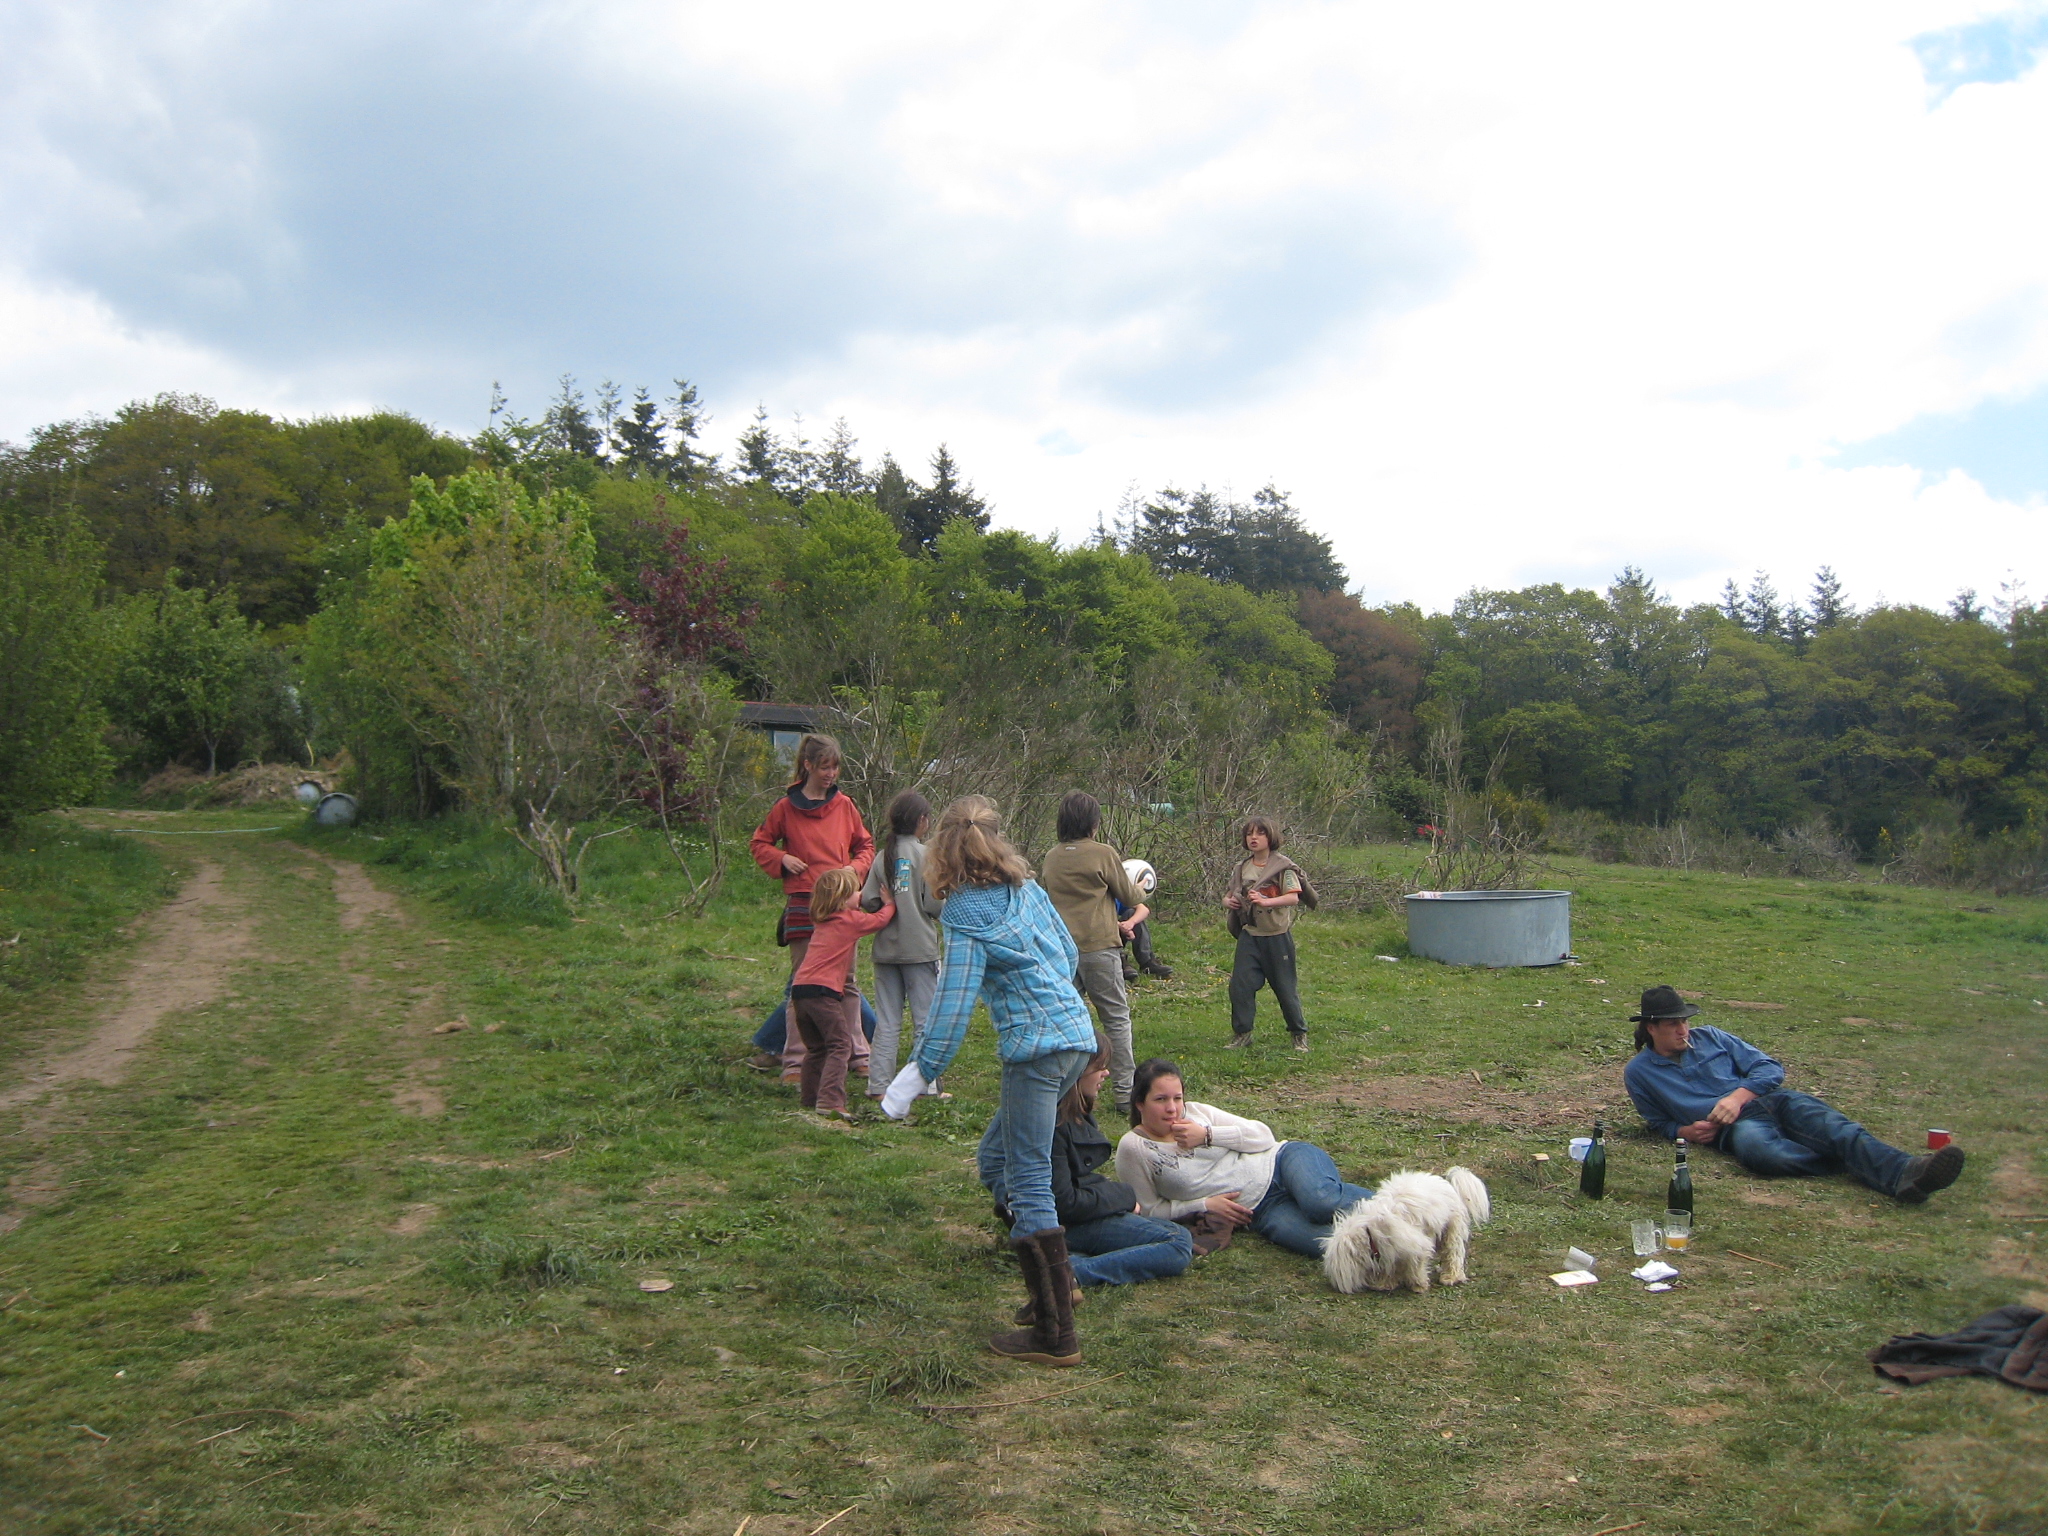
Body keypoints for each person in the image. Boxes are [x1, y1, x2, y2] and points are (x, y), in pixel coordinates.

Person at [879, 796, 1098, 1367]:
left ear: (942, 853)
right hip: (1075, 1037)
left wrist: (915, 1075)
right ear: (996, 842)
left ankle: (1055, 1333)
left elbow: (951, 1007)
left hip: (1036, 1051)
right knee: (996, 1158)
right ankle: (1060, 1284)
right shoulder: (1027, 889)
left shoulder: (964, 913)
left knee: (1027, 1178)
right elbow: (1068, 953)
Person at [1622, 984, 1966, 1203]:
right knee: (1763, 1154)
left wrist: (1738, 1097)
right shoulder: (1639, 1073)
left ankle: (1910, 1172)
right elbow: (1657, 1121)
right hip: (1734, 1127)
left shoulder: (1712, 1036)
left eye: (1685, 1021)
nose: (1684, 1029)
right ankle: (1858, 1162)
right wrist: (1684, 1131)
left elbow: (1769, 1068)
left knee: (1836, 1128)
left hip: (1772, 1101)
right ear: (1651, 1028)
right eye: (1673, 1024)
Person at [985, 1033, 1195, 1293]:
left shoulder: (1071, 1112)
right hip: (1068, 1222)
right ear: (1076, 1071)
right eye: (1099, 1067)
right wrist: (1124, 1197)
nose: (1106, 1073)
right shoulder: (1054, 1124)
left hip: (1078, 1217)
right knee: (1177, 1243)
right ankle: (1072, 1273)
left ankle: (1070, 1258)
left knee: (1173, 1232)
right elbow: (1064, 1201)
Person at [1115, 1058, 1374, 1257]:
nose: (1172, 1108)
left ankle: (1396, 1206)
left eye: (1177, 1098)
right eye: (1160, 1099)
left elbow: (1263, 1136)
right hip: (1262, 1209)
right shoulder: (1134, 1148)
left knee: (1321, 1203)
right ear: (1140, 1103)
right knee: (1332, 1243)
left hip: (1281, 1162)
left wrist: (1207, 1135)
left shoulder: (1197, 1114)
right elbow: (1148, 1210)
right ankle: (1390, 1244)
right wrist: (1204, 1204)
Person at [748, 734, 875, 1082]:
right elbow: (759, 842)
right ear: (807, 766)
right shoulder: (785, 808)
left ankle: (859, 1055)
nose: (831, 774)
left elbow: (866, 846)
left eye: (835, 767)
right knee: (802, 984)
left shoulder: (845, 806)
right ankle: (795, 1061)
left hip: (840, 902)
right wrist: (782, 858)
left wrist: (853, 870)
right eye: (824, 767)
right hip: (804, 902)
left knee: (847, 982)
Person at [1040, 792, 1149, 1111]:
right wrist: (1143, 883)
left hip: (1062, 952)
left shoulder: (1051, 857)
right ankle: (1125, 1094)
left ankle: (1063, 1090)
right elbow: (1129, 895)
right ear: (1093, 823)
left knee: (1065, 1022)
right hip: (1099, 947)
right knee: (1115, 1019)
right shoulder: (1103, 853)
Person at [859, 789, 948, 1101]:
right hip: (920, 949)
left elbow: (868, 900)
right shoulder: (926, 856)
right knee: (924, 1021)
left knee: (887, 1022)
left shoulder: (882, 856)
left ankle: (878, 1086)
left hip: (886, 950)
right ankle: (925, 1085)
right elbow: (934, 906)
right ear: (922, 820)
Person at [789, 868, 892, 1120]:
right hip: (823, 992)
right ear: (842, 898)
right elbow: (879, 920)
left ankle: (810, 1096)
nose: (860, 895)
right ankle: (830, 1101)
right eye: (855, 891)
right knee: (840, 1045)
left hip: (800, 990)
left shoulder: (822, 920)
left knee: (817, 1048)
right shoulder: (849, 920)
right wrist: (890, 903)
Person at [1221, 816, 1310, 1051]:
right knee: (1240, 986)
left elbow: (1293, 897)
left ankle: (1298, 1033)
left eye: (1260, 833)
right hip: (1250, 936)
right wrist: (1229, 902)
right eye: (1249, 833)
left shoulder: (1283, 867)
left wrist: (1265, 901)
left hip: (1277, 937)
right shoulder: (1241, 867)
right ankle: (1242, 1034)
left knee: (1285, 988)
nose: (1254, 838)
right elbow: (1227, 895)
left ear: (1270, 837)